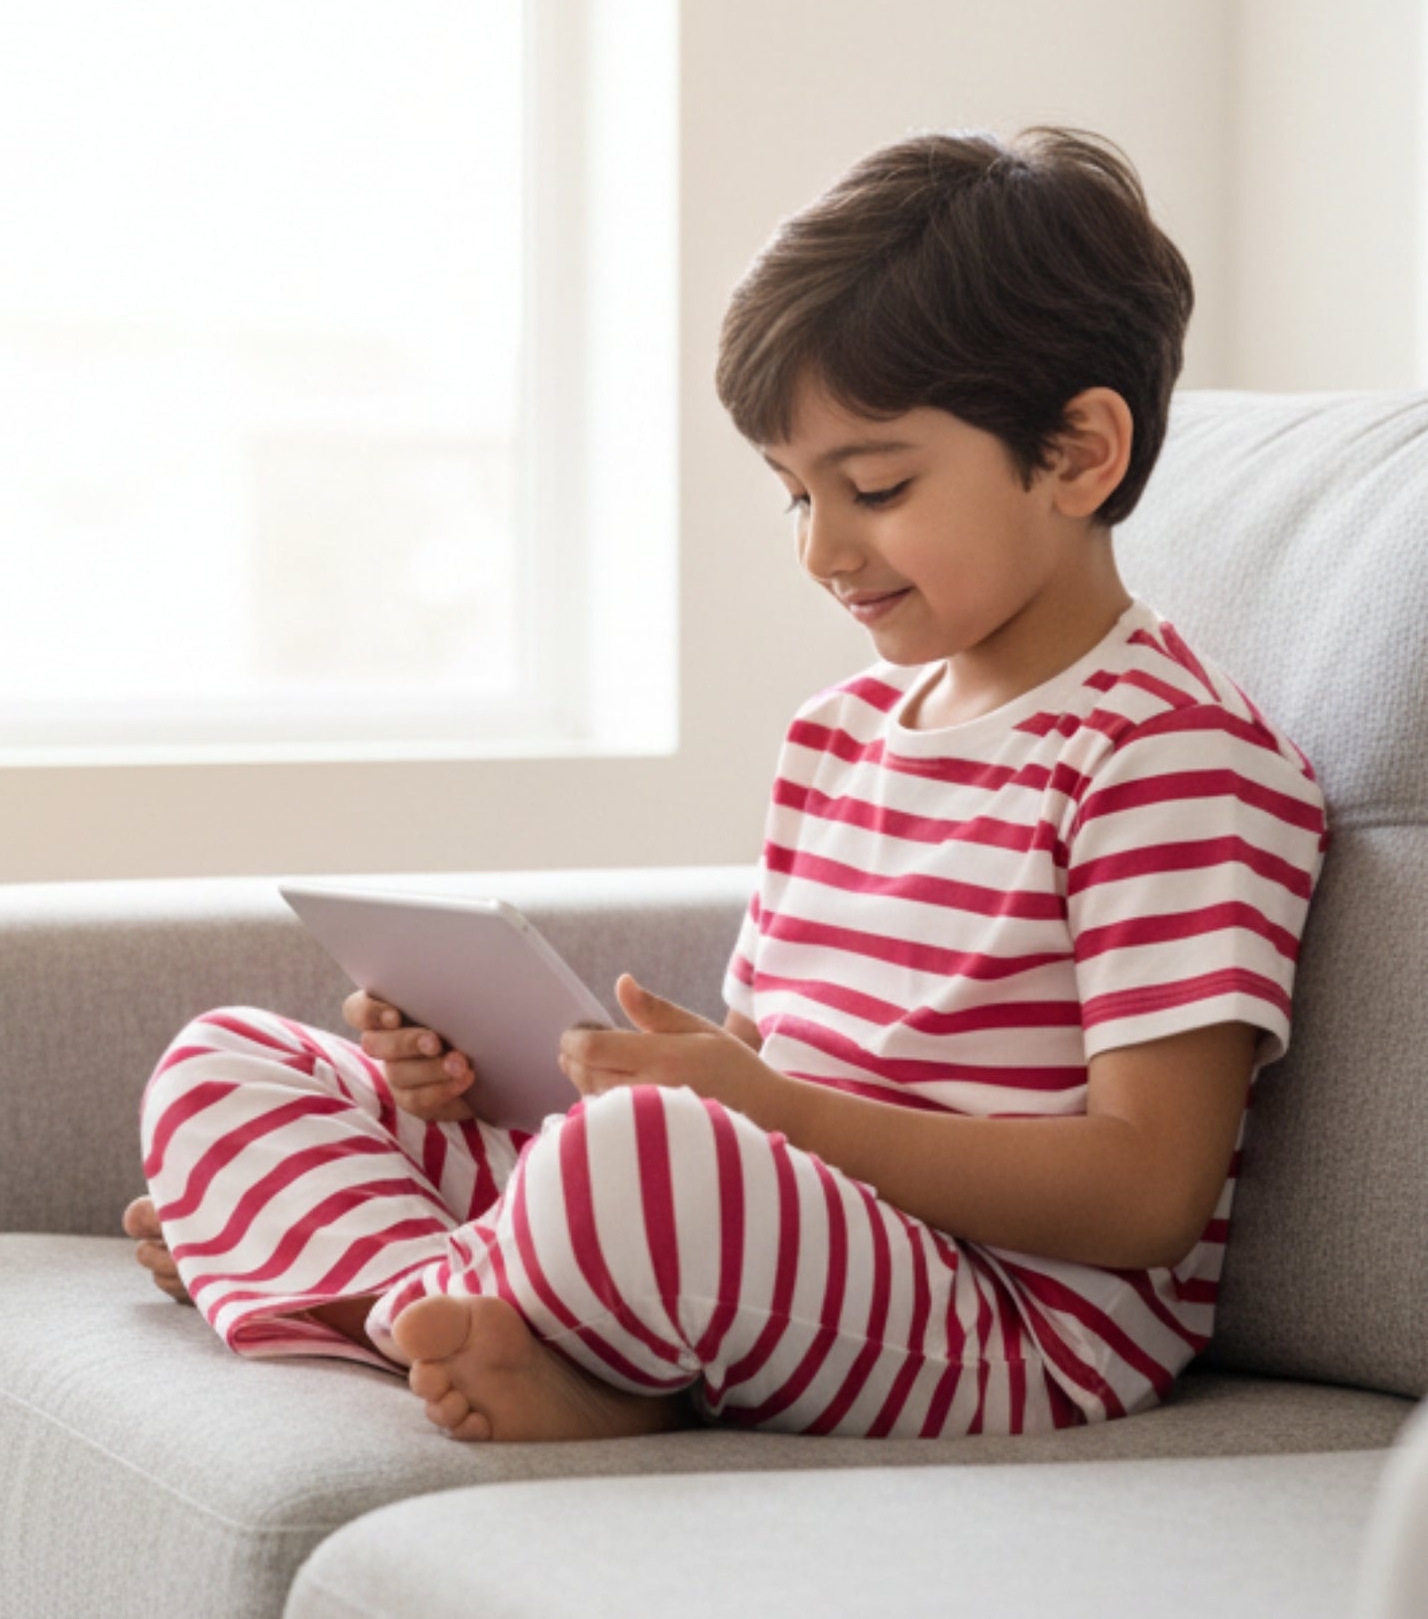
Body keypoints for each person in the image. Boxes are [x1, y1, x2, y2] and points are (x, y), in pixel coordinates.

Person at [123, 125, 1329, 1443]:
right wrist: (509, 1079)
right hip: (794, 1235)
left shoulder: (1166, 756)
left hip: (1006, 1323)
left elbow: (1146, 1194)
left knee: (632, 1165)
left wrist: (759, 1114)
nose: (821, 548)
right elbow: (767, 1065)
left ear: (1078, 455)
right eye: (790, 494)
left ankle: (346, 1285)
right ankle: (451, 1312)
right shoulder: (836, 736)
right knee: (229, 1060)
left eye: (872, 486)